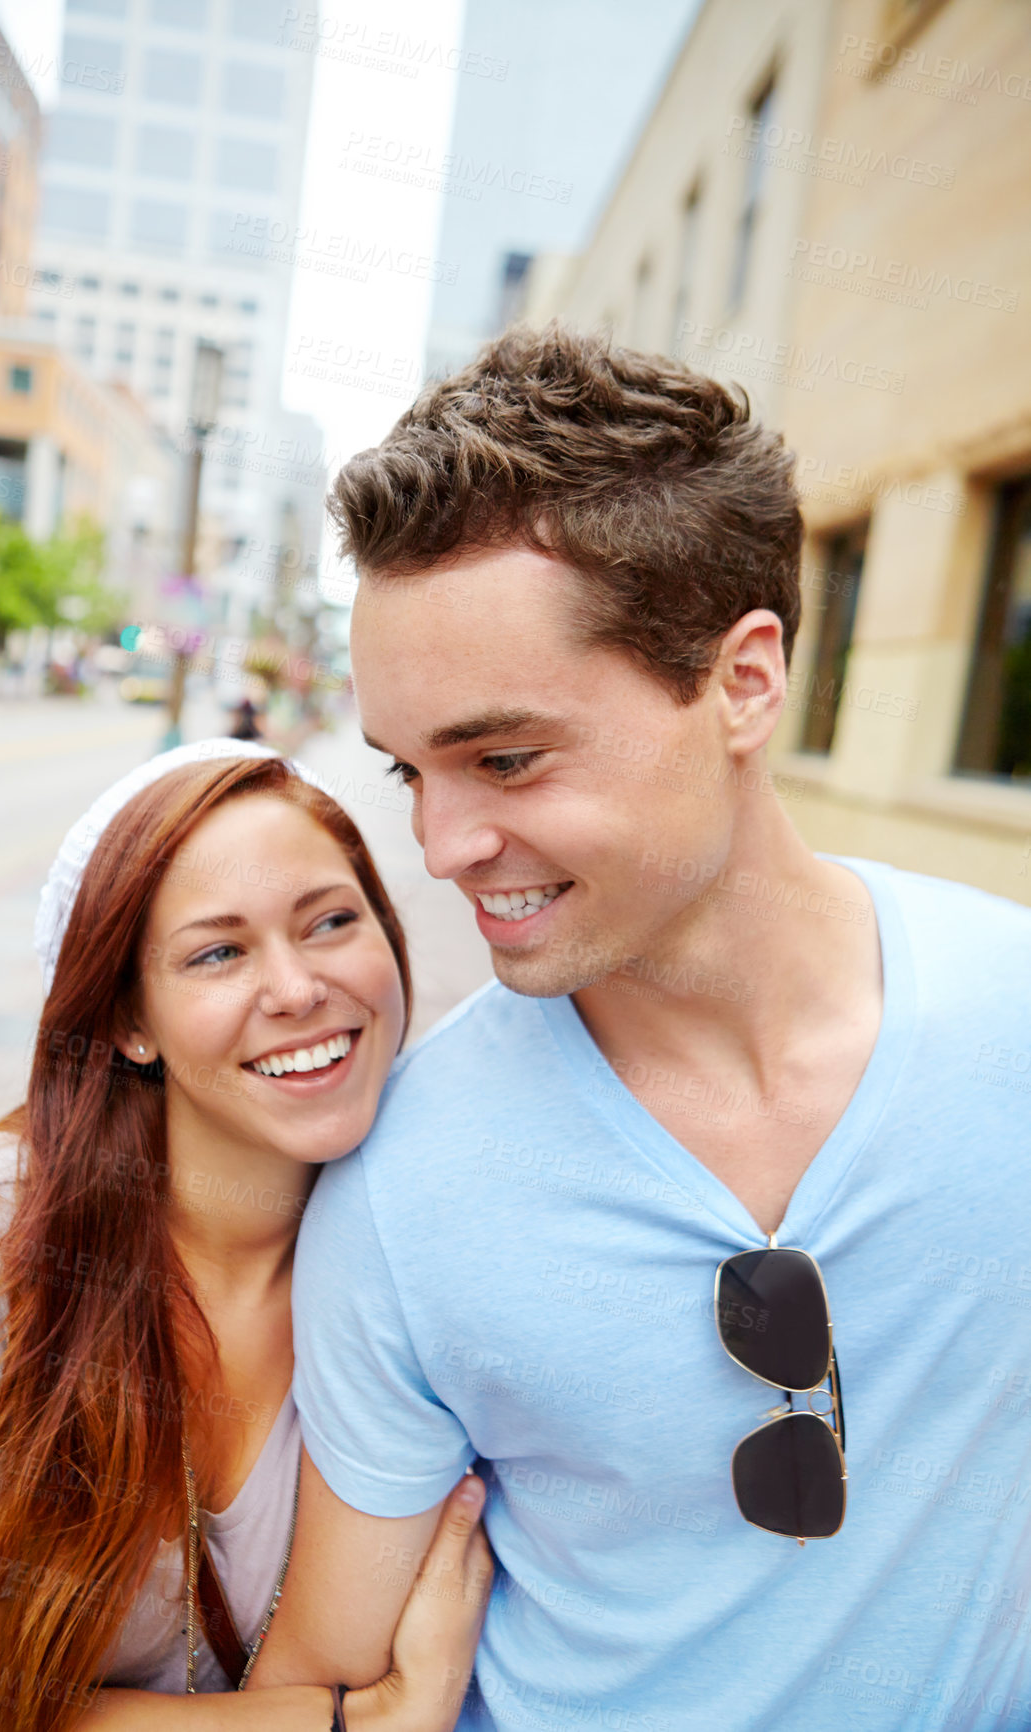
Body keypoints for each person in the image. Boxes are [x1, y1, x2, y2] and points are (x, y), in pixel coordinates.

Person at [249, 327, 1031, 1730]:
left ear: (741, 681)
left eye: (501, 758)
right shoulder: (397, 1188)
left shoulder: (1013, 1019)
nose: (440, 843)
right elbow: (320, 1684)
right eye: (407, 771)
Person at [0, 739, 491, 1732]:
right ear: (130, 1018)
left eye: (331, 921)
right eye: (218, 951)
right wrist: (339, 1723)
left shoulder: (438, 1226)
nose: (294, 988)